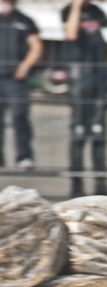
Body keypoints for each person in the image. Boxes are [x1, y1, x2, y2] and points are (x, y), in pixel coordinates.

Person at [62, 0, 107, 197]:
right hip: (79, 76)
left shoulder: (97, 11)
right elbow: (71, 34)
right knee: (78, 131)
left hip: (99, 74)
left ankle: (101, 184)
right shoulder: (68, 10)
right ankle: (76, 185)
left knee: (99, 130)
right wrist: (76, 6)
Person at [0, 0, 42, 170]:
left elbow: (36, 46)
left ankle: (24, 156)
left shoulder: (24, 20)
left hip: (16, 78)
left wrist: (25, 66)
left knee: (20, 115)